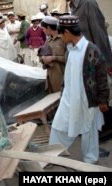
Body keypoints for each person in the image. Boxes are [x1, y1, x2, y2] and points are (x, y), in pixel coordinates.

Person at [49, 15, 110, 164]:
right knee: (59, 125)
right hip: (69, 98)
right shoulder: (70, 50)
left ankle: (90, 160)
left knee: (88, 130)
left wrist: (103, 100)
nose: (60, 37)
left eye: (61, 34)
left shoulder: (92, 50)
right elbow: (68, 75)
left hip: (86, 100)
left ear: (67, 32)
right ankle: (50, 156)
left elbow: (102, 78)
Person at [65, 0, 112, 74]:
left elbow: (100, 36)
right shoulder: (72, 6)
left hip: (93, 64)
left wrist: (107, 65)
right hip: (80, 64)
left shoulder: (89, 4)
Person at [40, 16, 66, 93]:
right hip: (50, 78)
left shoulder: (63, 39)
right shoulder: (48, 41)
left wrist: (53, 58)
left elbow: (70, 58)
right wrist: (43, 59)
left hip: (62, 77)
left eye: (44, 28)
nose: (43, 31)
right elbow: (42, 55)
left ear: (48, 27)